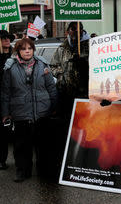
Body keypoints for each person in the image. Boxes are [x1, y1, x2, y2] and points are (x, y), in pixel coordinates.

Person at [1, 38, 57, 182]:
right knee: (21, 145)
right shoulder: (10, 68)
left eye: (30, 48)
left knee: (43, 145)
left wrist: (54, 106)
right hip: (20, 111)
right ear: (18, 51)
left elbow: (51, 87)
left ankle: (43, 171)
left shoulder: (42, 64)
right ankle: (22, 171)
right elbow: (6, 92)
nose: (27, 51)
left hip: (42, 111)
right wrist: (5, 113)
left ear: (33, 50)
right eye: (23, 49)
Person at [50, 22, 89, 179]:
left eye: (80, 30)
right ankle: (67, 157)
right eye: (74, 29)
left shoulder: (88, 47)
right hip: (65, 93)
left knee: (83, 127)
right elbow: (53, 65)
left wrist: (84, 65)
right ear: (68, 31)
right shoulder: (61, 48)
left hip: (83, 94)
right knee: (67, 126)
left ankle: (83, 158)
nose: (77, 32)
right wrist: (61, 75)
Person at [0, 30, 15, 170]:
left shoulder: (16, 54)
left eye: (8, 38)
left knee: (18, 131)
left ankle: (21, 161)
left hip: (16, 97)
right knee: (1, 131)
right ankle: (1, 159)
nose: (7, 40)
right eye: (4, 38)